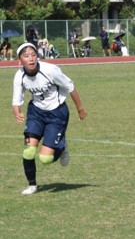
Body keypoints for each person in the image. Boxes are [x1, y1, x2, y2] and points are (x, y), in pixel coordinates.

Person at [12, 42, 87, 195]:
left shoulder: (50, 70)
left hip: (57, 113)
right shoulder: (20, 75)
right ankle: (32, 185)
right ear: (20, 59)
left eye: (33, 55)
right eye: (26, 56)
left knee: (45, 159)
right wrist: (17, 112)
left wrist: (80, 109)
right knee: (28, 151)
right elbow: (16, 99)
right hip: (36, 113)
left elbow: (70, 86)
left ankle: (62, 147)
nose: (31, 59)